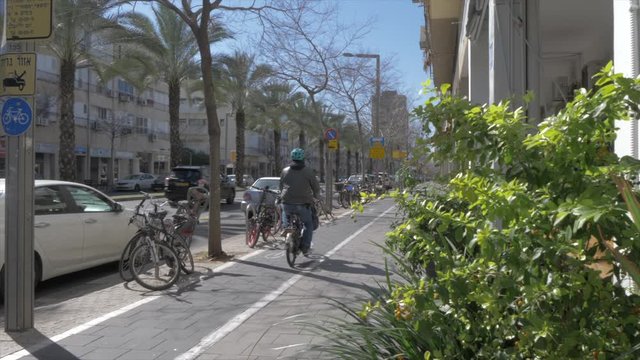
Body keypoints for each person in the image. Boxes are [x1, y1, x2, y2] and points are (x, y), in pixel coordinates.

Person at [279, 147, 321, 256]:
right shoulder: (308, 171)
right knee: (308, 223)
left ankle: (286, 227)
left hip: (287, 201)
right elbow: (316, 188)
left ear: (291, 158)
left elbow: (281, 186)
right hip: (303, 203)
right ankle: (305, 247)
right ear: (303, 158)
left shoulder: (285, 171)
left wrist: (282, 196)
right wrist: (316, 197)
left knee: (285, 211)